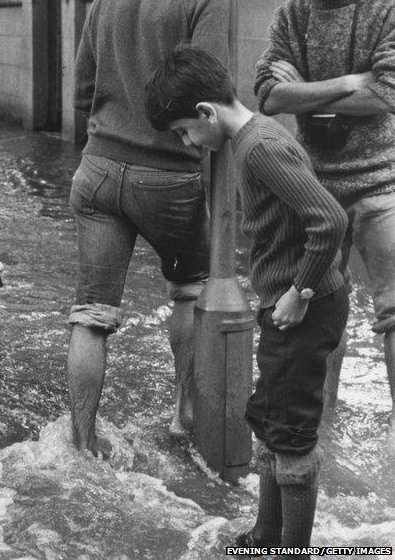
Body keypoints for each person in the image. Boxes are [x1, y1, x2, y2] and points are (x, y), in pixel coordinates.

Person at [147, 46, 348, 554]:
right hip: (286, 305)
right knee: (270, 418)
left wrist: (299, 293)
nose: (190, 142)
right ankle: (265, 535)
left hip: (304, 305)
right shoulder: (247, 141)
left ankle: (291, 549)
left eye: (186, 131)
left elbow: (330, 220)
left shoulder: (258, 148)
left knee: (294, 437)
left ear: (206, 114)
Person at [68, 0, 230, 454]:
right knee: (188, 290)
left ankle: (81, 444)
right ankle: (184, 415)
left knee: (91, 314)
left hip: (96, 171)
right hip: (169, 177)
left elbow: (78, 94)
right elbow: (209, 90)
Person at [255, 0, 395, 429]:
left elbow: (389, 92)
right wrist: (348, 82)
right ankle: (318, 433)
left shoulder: (386, 6)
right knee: (315, 316)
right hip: (313, 191)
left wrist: (306, 95)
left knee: (394, 315)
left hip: (381, 184)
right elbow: (267, 96)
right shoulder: (291, 15)